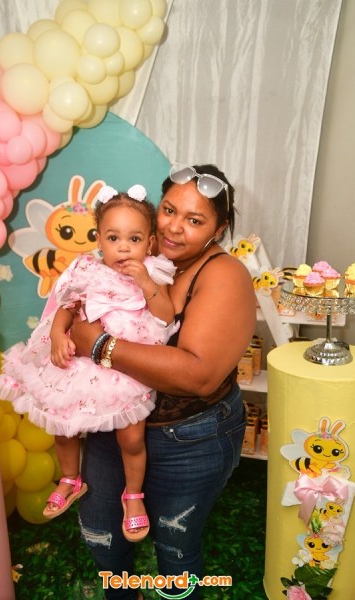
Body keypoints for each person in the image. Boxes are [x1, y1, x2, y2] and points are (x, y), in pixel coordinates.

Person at [70, 162, 257, 599]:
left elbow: (197, 375)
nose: (174, 227)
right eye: (169, 211)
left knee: (174, 548)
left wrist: (100, 346)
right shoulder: (136, 254)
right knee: (100, 532)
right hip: (117, 423)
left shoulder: (224, 274)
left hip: (189, 437)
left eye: (194, 220)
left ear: (218, 228)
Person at [0, 184, 177, 540]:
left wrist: (144, 281)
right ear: (99, 240)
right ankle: (70, 478)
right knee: (63, 423)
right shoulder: (87, 270)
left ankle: (133, 495)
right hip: (82, 361)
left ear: (150, 242)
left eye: (135, 238)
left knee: (132, 437)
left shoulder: (155, 272)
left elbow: (166, 316)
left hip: (124, 365)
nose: (124, 247)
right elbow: (67, 308)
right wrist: (58, 336)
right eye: (113, 237)